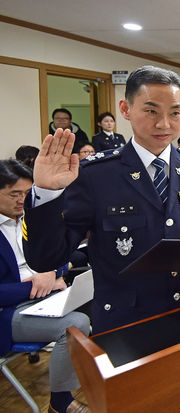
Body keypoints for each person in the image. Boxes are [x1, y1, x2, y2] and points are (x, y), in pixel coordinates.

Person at [23, 65, 180, 334]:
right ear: (125, 109)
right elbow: (46, 258)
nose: (164, 124)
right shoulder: (96, 174)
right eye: (151, 111)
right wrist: (47, 193)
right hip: (128, 321)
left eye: (175, 112)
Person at [0, 159, 91, 413]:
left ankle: (104, 378)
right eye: (14, 194)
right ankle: (60, 403)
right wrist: (33, 286)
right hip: (9, 311)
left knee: (98, 301)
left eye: (27, 194)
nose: (22, 200)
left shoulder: (30, 219)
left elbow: (60, 256)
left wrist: (51, 272)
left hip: (43, 298)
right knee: (74, 326)